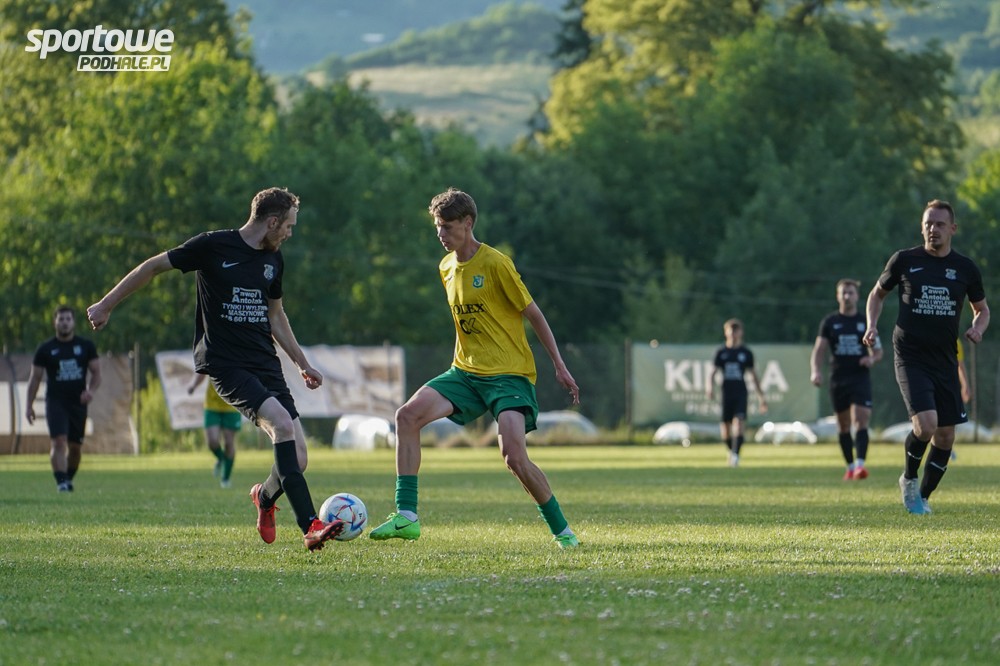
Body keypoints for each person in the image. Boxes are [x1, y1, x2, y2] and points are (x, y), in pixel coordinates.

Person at [87, 187, 344, 550]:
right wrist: (106, 304)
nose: (289, 233)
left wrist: (302, 363)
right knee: (282, 426)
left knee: (298, 458)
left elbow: (275, 315)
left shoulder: (274, 259)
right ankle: (311, 526)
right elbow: (153, 267)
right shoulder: (212, 246)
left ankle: (264, 498)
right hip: (227, 366)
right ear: (272, 222)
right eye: (288, 226)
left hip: (265, 364)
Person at [368, 187, 582, 549]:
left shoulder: (496, 263)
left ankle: (563, 532)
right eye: (437, 227)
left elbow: (533, 313)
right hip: (465, 373)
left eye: (447, 227)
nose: (441, 234)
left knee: (514, 457)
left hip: (509, 374)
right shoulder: (445, 267)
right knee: (407, 416)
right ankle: (407, 516)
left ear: (468, 223)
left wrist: (559, 366)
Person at [864, 199, 989, 515]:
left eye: (940, 224)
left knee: (946, 436)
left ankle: (923, 497)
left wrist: (977, 328)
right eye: (928, 224)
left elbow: (982, 309)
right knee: (926, 425)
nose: (933, 229)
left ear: (953, 229)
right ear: (922, 228)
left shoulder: (965, 268)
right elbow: (877, 294)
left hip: (944, 359)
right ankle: (908, 478)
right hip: (910, 356)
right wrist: (871, 325)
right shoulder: (904, 260)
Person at [810, 279, 883, 480]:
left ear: (857, 296)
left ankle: (860, 466)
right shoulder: (830, 322)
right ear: (838, 296)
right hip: (838, 378)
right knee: (843, 425)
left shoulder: (865, 322)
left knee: (861, 419)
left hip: (860, 377)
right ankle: (850, 467)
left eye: (851, 292)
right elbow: (819, 350)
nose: (847, 296)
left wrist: (871, 359)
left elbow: (878, 351)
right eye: (843, 293)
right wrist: (815, 371)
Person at [25, 306, 102, 492]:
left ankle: (67, 478)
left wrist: (90, 391)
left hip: (78, 403)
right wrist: (29, 405)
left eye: (68, 319)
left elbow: (97, 373)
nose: (65, 323)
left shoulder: (86, 346)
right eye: (61, 319)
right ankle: (61, 483)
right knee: (58, 442)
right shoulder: (45, 349)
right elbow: (35, 379)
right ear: (55, 322)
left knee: (75, 448)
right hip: (55, 402)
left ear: (73, 322)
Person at [707, 319, 767, 467]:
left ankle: (735, 455)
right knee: (725, 429)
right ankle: (731, 450)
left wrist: (761, 397)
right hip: (726, 393)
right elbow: (712, 373)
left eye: (736, 331)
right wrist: (709, 388)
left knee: (739, 423)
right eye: (731, 331)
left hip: (740, 392)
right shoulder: (721, 352)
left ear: (741, 333)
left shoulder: (746, 353)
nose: (733, 334)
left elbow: (753, 376)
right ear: (726, 332)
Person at [187, 372, 240, 488]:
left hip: (233, 404)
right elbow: (202, 371)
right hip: (212, 404)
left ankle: (225, 479)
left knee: (229, 442)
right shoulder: (213, 358)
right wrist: (193, 385)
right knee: (212, 441)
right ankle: (221, 459)